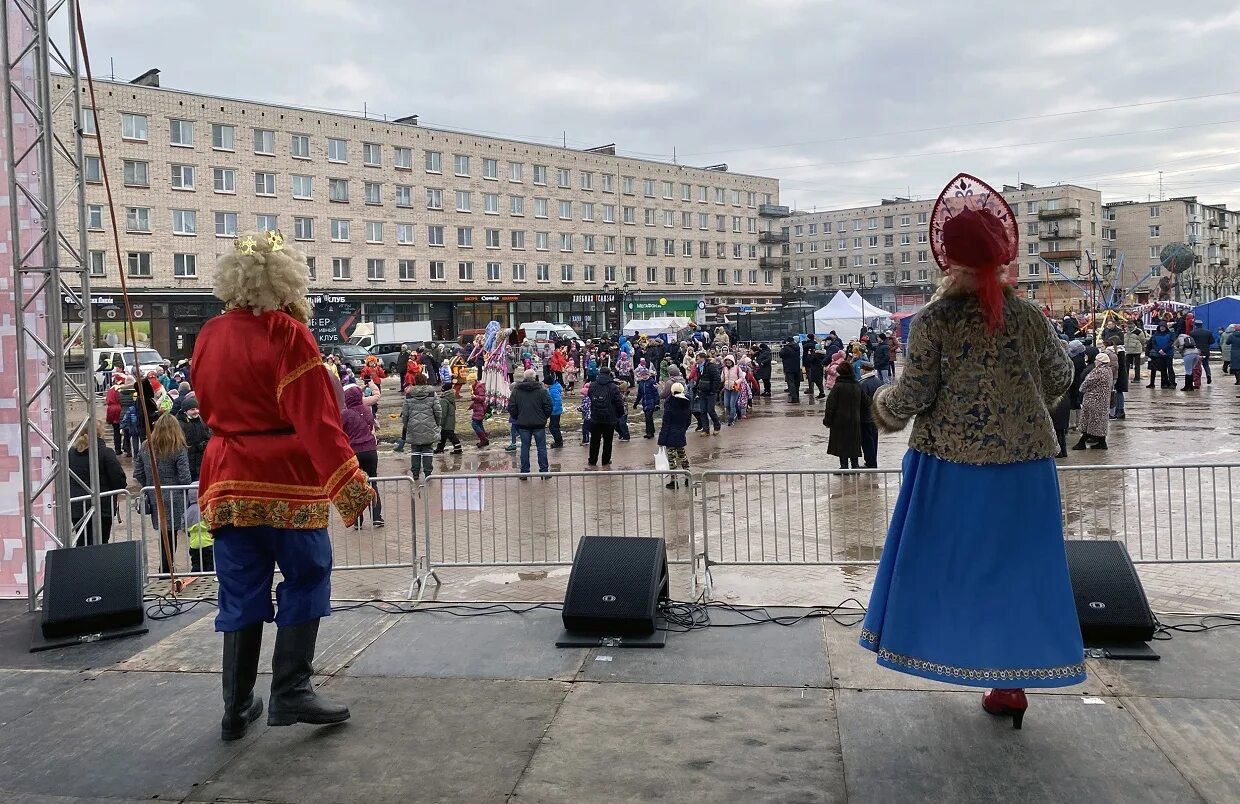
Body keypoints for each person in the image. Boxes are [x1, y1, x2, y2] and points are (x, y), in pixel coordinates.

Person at [864, 174, 1085, 730]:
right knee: (1017, 571)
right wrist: (1022, 402)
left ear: (949, 262)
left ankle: (947, 654)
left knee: (945, 567)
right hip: (1026, 469)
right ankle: (1010, 685)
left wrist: (879, 403)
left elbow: (913, 396)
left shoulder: (934, 321)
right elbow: (1061, 374)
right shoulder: (1030, 316)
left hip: (949, 468)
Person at [193, 230, 373, 740]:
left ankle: (236, 705)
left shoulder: (208, 334)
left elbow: (207, 405)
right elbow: (316, 420)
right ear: (287, 283)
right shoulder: (287, 334)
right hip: (286, 478)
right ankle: (290, 691)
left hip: (227, 477)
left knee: (240, 587)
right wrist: (350, 483)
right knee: (308, 574)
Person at [133, 414, 193, 574]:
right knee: (172, 532)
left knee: (163, 532)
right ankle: (167, 567)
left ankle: (166, 567)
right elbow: (185, 476)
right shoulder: (178, 447)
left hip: (154, 495)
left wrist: (148, 485)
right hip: (174, 496)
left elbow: (137, 472)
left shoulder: (146, 446)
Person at [68, 421, 127, 546]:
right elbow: (119, 480)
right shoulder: (106, 453)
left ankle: (82, 565)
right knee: (100, 542)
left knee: (82, 542)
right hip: (102, 506)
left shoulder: (70, 454)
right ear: (100, 434)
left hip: (77, 506)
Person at [342, 385, 382, 528]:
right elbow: (372, 425)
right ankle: (377, 516)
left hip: (354, 452)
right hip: (371, 450)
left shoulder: (345, 414)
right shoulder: (367, 410)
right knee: (373, 482)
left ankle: (358, 520)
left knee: (356, 485)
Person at [508, 369, 552, 475]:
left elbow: (511, 407)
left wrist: (518, 417)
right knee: (541, 448)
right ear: (534, 377)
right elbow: (548, 406)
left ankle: (524, 472)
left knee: (525, 448)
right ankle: (544, 472)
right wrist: (543, 417)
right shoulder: (542, 390)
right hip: (538, 423)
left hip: (523, 424)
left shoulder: (517, 391)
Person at [822, 361, 864, 470]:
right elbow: (865, 403)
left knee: (842, 443)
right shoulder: (857, 385)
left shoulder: (838, 387)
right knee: (854, 442)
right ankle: (855, 465)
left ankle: (844, 466)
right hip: (855, 419)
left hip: (839, 421)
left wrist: (827, 420)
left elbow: (830, 405)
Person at [401, 376, 442, 481]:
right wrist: (437, 423)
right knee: (428, 450)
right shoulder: (432, 393)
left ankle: (415, 473)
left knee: (415, 450)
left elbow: (405, 413)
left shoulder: (409, 395)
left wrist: (406, 425)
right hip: (429, 425)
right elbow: (438, 411)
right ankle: (428, 473)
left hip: (413, 426)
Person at [587, 366, 625, 467]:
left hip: (595, 417)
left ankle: (592, 460)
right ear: (609, 374)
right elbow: (618, 402)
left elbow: (590, 396)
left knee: (594, 440)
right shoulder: (613, 387)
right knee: (608, 441)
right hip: (610, 418)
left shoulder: (593, 385)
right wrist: (619, 414)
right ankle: (605, 460)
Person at [1075, 352, 1115, 449]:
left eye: (1097, 360)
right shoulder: (1108, 370)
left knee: (1090, 422)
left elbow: (1088, 382)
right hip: (1103, 401)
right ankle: (1102, 443)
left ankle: (1081, 443)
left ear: (1100, 362)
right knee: (1099, 422)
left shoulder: (1098, 371)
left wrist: (1081, 389)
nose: (1095, 362)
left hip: (1093, 400)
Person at [658, 382, 693, 489]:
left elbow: (666, 423)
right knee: (682, 455)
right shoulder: (687, 403)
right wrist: (683, 429)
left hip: (670, 435)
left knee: (671, 458)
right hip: (680, 433)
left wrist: (661, 439)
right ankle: (688, 477)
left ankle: (674, 481)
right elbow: (688, 420)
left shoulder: (670, 403)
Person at [177, 397, 211, 483]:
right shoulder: (179, 424)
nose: (196, 411)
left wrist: (203, 445)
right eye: (192, 409)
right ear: (185, 411)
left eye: (197, 408)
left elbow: (208, 437)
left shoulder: (202, 421)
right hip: (187, 461)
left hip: (200, 461)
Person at [857, 362, 883, 468]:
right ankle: (873, 460)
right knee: (874, 439)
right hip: (876, 416)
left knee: (867, 441)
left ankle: (870, 462)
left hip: (865, 417)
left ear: (863, 370)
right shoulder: (878, 382)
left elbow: (861, 401)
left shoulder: (862, 383)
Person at [691, 351, 722, 435]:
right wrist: (696, 387)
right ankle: (706, 430)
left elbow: (717, 379)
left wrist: (714, 390)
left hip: (711, 392)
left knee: (711, 410)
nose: (696, 360)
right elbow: (699, 379)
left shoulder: (711, 366)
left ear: (702, 358)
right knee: (703, 411)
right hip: (702, 391)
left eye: (697, 359)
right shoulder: (699, 367)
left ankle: (717, 426)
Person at [433, 383, 463, 454]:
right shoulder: (451, 397)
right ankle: (440, 448)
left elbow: (443, 413)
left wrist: (440, 422)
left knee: (450, 435)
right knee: (443, 435)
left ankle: (458, 448)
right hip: (450, 419)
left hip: (446, 421)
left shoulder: (444, 400)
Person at [1146, 322, 1176, 388]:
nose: (1162, 328)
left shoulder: (1170, 334)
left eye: (1163, 326)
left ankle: (1172, 383)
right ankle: (1164, 383)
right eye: (1160, 327)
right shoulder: (1155, 334)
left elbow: (1171, 342)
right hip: (1160, 354)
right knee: (1163, 369)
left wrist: (1163, 350)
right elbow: (1154, 343)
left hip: (1168, 353)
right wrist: (1159, 350)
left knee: (1170, 368)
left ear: (1166, 327)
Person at [634, 366, 660, 438]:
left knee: (648, 417)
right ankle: (651, 432)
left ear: (648, 374)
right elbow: (639, 394)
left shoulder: (652, 382)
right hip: (645, 403)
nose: (644, 376)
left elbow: (656, 394)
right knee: (648, 418)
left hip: (651, 403)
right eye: (642, 375)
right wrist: (636, 403)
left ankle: (649, 432)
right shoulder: (641, 383)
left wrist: (657, 403)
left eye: (645, 374)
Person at [720, 355, 743, 426]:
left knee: (732, 404)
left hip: (735, 389)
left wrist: (736, 382)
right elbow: (722, 379)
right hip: (727, 388)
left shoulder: (737, 368)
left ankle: (731, 419)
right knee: (727, 405)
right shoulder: (724, 369)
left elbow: (742, 378)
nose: (728, 362)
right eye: (726, 361)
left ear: (732, 361)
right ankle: (735, 415)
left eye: (729, 360)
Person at [468, 380, 490, 448]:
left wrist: (475, 397)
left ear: (474, 380)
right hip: (478, 408)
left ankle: (484, 439)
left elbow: (482, 398)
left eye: (471, 382)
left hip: (480, 409)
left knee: (474, 424)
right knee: (479, 424)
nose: (470, 384)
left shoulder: (479, 387)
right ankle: (483, 438)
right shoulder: (475, 387)